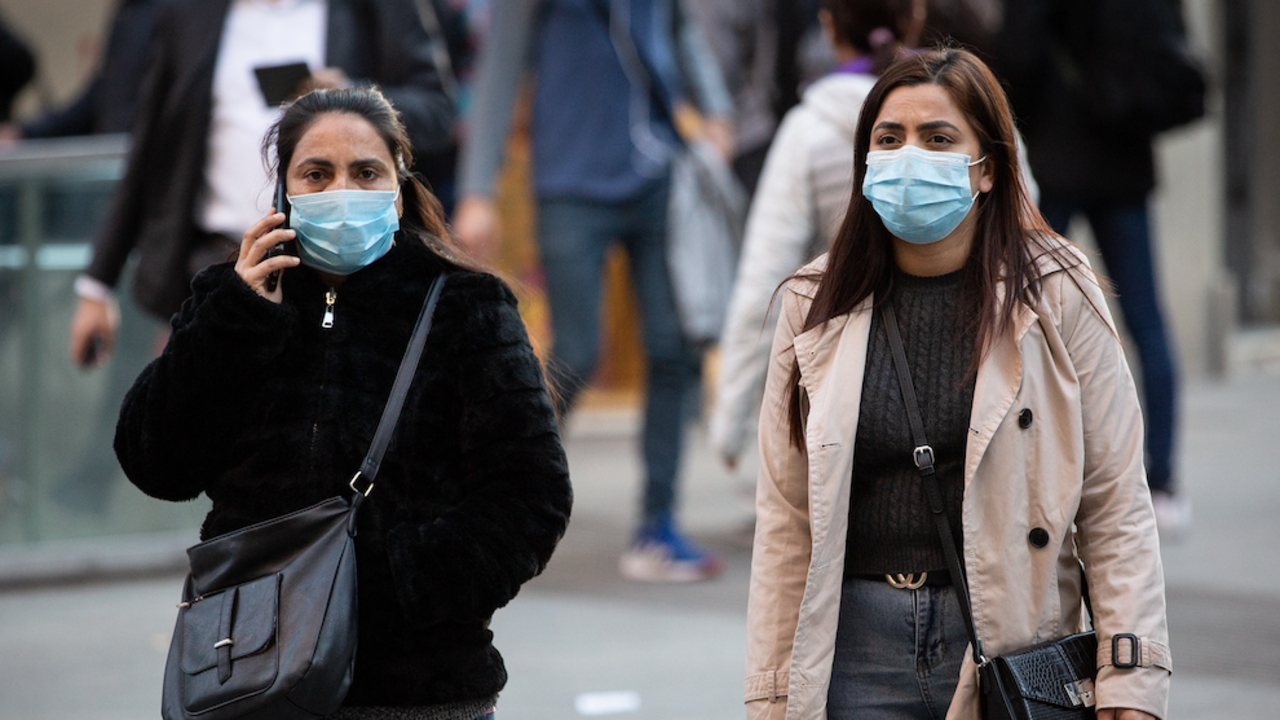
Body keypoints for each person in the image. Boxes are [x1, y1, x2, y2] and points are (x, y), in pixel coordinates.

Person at [115, 87, 572, 718]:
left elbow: (532, 496)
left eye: (365, 172)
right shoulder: (234, 301)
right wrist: (233, 322)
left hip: (418, 688)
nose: (343, 192)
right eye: (317, 174)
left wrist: (393, 583)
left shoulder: (467, 305)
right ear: (285, 192)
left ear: (399, 183)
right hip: (250, 678)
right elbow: (154, 463)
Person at [745, 49, 1170, 719]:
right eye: (889, 139)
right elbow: (786, 524)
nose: (908, 156)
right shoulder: (813, 303)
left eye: (938, 138)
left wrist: (1131, 674)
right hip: (852, 650)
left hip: (1007, 642)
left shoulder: (1056, 290)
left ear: (988, 169)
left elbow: (1115, 502)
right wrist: (770, 697)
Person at [455, 0, 734, 582]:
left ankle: (658, 525)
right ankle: (497, 504)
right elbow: (501, 67)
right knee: (576, 354)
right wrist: (477, 188)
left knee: (673, 348)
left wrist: (717, 112)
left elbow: (681, 32)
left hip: (660, 173)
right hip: (570, 182)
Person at [69, 0, 454, 373]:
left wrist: (352, 97)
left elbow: (438, 110)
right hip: (214, 265)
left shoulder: (371, 8)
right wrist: (97, 285)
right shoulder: (187, 13)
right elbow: (149, 146)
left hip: (340, 269)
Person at [992, 0, 1191, 538]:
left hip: (1057, 152)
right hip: (1125, 156)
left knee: (1020, 306)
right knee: (1146, 319)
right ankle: (1165, 482)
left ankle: (1024, 464)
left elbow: (1019, 55)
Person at [710, 0, 923, 469]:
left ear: (828, 26)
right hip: (960, 360)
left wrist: (731, 421)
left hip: (846, 381)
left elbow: (763, 279)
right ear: (917, 15)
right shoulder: (967, 114)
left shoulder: (808, 130)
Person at [0, 0, 159, 143]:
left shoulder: (163, 13)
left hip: (144, 159)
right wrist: (24, 133)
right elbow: (98, 97)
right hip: (120, 156)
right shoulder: (129, 12)